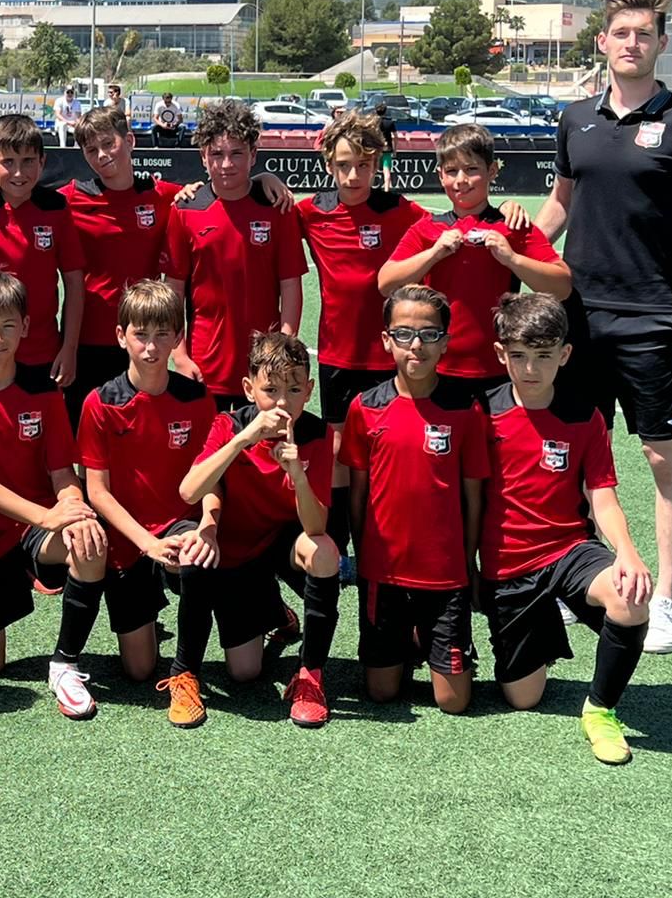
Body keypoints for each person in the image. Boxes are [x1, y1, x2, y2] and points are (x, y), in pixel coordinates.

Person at [535, 0, 672, 655]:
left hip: (654, 320)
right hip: (577, 319)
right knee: (572, 453)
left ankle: (667, 598)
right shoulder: (575, 119)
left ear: (660, 44)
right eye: (620, 32)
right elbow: (560, 207)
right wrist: (509, 254)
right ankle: (580, 580)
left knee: (660, 457)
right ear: (602, 41)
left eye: (643, 33)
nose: (631, 43)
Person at [0, 105, 293, 428]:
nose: (102, 155)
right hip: (88, 341)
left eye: (109, 143)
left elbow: (220, 192)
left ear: (130, 140)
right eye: (91, 149)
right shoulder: (69, 200)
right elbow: (24, 192)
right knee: (84, 430)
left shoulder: (166, 196)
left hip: (145, 338)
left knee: (145, 427)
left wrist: (263, 177)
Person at [480, 293, 652, 765]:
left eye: (543, 356)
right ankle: (543, 622)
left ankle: (600, 710)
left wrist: (627, 553)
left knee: (630, 596)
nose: (530, 368)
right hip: (507, 566)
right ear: (500, 354)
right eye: (518, 355)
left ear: (565, 354)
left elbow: (602, 496)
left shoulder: (584, 415)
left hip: (569, 549)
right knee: (523, 697)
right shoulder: (482, 413)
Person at [0, 273, 109, 718]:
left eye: (8, 326)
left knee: (89, 544)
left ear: (26, 326)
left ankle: (65, 665)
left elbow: (62, 472)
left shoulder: (44, 390)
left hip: (34, 529)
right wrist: (47, 516)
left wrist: (74, 508)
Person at [173, 331, 339, 728]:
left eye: (294, 390)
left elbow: (315, 525)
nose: (282, 402)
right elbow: (189, 490)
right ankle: (185, 672)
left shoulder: (318, 435)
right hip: (234, 554)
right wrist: (243, 440)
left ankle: (310, 676)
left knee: (324, 551)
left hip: (278, 547)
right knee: (244, 671)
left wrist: (297, 473)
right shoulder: (228, 424)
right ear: (249, 389)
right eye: (270, 390)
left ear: (309, 391)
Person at [342, 285, 487, 713]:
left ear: (445, 341)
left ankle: (428, 637)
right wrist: (364, 558)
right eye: (403, 334)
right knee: (382, 692)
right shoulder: (365, 407)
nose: (416, 345)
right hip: (383, 573)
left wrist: (468, 563)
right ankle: (405, 640)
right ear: (386, 340)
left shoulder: (465, 410)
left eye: (429, 334)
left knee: (453, 702)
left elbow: (473, 498)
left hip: (445, 576)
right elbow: (357, 496)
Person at [69, 281, 217, 698]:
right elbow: (97, 492)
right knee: (139, 669)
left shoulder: (198, 400)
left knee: (195, 556)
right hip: (127, 538)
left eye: (162, 334)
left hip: (178, 525)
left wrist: (208, 525)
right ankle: (149, 611)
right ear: (121, 336)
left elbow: (211, 478)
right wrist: (146, 543)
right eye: (140, 334)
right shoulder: (100, 403)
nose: (151, 347)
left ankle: (186, 672)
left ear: (178, 338)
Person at [295, 110, 424, 583]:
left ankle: (387, 544)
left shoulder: (400, 210)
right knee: (337, 454)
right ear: (329, 163)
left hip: (390, 355)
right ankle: (340, 546)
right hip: (336, 357)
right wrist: (266, 178)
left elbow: (448, 223)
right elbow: (266, 208)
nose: (353, 176)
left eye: (364, 166)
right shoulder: (310, 212)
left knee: (388, 451)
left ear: (378, 163)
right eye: (344, 165)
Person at [379, 123, 571, 409]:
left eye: (471, 170)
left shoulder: (513, 226)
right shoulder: (427, 229)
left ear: (492, 171)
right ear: (440, 175)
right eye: (452, 171)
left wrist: (512, 259)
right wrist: (433, 254)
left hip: (500, 366)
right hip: (437, 367)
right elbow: (386, 283)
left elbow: (562, 285)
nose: (461, 180)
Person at [163, 98, 306, 410]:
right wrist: (180, 355)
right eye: (217, 154)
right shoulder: (185, 210)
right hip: (204, 365)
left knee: (265, 442)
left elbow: (290, 285)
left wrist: (285, 344)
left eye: (237, 153)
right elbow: (173, 290)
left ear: (253, 154)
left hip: (264, 366)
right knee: (208, 442)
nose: (226, 164)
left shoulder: (277, 208)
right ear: (203, 157)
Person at [0, 113, 86, 392]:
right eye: (8, 162)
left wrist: (69, 348)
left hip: (43, 352)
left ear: (42, 162)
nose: (18, 173)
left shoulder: (56, 208)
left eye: (28, 161)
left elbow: (74, 281)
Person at [374, 102, 397, 191]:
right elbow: (395, 136)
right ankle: (387, 190)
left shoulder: (373, 122)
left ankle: (368, 190)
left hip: (376, 149)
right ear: (385, 111)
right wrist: (395, 149)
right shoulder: (390, 122)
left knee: (372, 170)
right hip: (387, 149)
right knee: (386, 171)